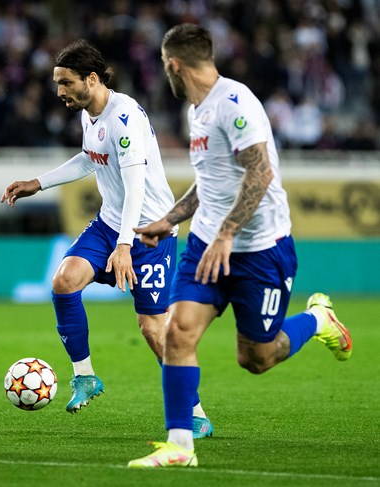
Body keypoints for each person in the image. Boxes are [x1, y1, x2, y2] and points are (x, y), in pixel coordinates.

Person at [128, 24, 352, 468]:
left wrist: (228, 234)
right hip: (206, 245)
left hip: (261, 250)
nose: (163, 73)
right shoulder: (198, 110)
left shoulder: (236, 103)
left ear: (174, 64)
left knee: (257, 358)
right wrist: (170, 219)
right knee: (178, 331)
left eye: (163, 65)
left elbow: (260, 173)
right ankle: (180, 447)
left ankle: (317, 319)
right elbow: (212, 182)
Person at [1, 39, 213, 439]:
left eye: (65, 82)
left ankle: (196, 412)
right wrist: (38, 183)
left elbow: (135, 187)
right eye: (57, 83)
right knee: (64, 280)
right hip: (109, 223)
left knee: (153, 329)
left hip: (149, 231)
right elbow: (89, 157)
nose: (59, 91)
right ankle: (85, 376)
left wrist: (125, 246)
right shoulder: (89, 113)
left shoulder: (124, 117)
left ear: (92, 79)